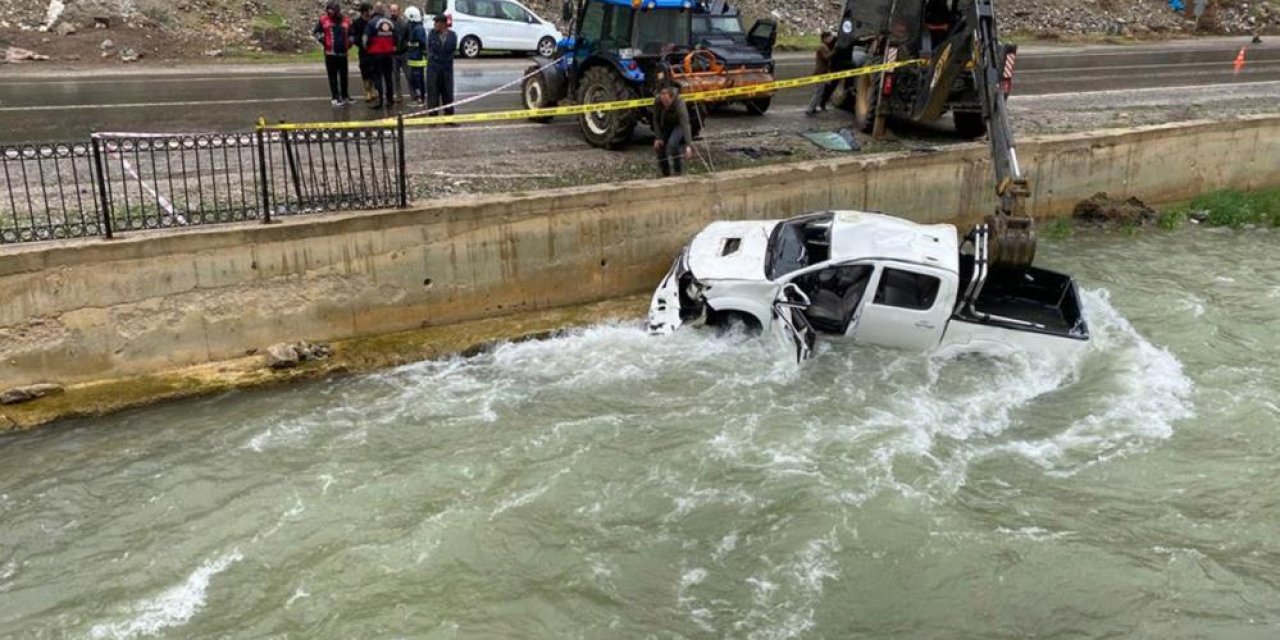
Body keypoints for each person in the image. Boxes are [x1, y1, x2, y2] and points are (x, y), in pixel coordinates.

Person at [313, 0, 354, 106]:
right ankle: (335, 97)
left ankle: (345, 95)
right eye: (328, 11)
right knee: (333, 77)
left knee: (344, 76)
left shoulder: (346, 20)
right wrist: (323, 41)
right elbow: (316, 32)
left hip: (343, 53)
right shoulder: (323, 20)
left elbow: (352, 34)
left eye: (332, 12)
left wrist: (350, 43)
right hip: (330, 53)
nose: (330, 14)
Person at [652, 85, 694, 177]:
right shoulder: (658, 101)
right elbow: (655, 119)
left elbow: (685, 124)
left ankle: (677, 171)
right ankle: (665, 174)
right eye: (663, 102)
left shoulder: (680, 102)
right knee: (659, 147)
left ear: (671, 98)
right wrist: (658, 137)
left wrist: (689, 145)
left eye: (667, 102)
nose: (665, 104)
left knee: (673, 143)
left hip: (678, 124)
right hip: (666, 124)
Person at [363, 2, 397, 109]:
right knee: (388, 77)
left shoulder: (371, 22)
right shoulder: (390, 22)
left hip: (376, 54)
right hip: (388, 54)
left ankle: (380, 101)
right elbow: (396, 37)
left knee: (377, 78)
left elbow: (365, 39)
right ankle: (390, 100)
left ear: (375, 10)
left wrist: (366, 48)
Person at [426, 14, 458, 118]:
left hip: (446, 69)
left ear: (443, 24)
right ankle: (433, 117)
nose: (435, 25)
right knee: (433, 94)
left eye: (437, 23)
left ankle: (449, 117)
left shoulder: (452, 35)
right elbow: (431, 50)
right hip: (434, 69)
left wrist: (444, 60)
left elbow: (451, 50)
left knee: (447, 93)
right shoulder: (432, 34)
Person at [805, 32, 836, 116]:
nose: (831, 39)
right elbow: (827, 57)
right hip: (820, 72)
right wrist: (835, 51)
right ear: (825, 38)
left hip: (822, 72)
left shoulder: (824, 46)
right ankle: (810, 109)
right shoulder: (822, 47)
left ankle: (813, 108)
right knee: (818, 92)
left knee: (820, 91)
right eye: (829, 38)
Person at [404, 6, 428, 106]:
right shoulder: (412, 27)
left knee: (418, 79)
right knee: (414, 79)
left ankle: (421, 99)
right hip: (413, 57)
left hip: (418, 58)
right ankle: (418, 98)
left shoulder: (418, 29)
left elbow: (423, 43)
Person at [389, 4, 410, 103]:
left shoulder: (405, 23)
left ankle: (414, 94)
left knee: (409, 75)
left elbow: (408, 37)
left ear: (399, 11)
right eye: (391, 11)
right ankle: (398, 95)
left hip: (404, 53)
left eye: (395, 11)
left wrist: (406, 46)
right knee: (395, 76)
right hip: (393, 54)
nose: (393, 13)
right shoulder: (388, 23)